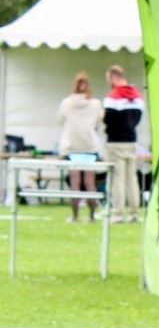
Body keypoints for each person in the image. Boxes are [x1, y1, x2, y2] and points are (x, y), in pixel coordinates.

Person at [57, 71, 103, 223]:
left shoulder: (66, 103)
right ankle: (91, 215)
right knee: (90, 183)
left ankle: (75, 215)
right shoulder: (95, 104)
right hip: (90, 147)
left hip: (72, 148)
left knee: (75, 183)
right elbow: (98, 121)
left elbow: (60, 119)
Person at [103, 65, 145, 223]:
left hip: (115, 142)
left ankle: (119, 213)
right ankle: (134, 213)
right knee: (132, 178)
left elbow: (108, 120)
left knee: (118, 178)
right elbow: (138, 119)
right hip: (131, 141)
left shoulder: (112, 97)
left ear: (113, 77)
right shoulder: (137, 97)